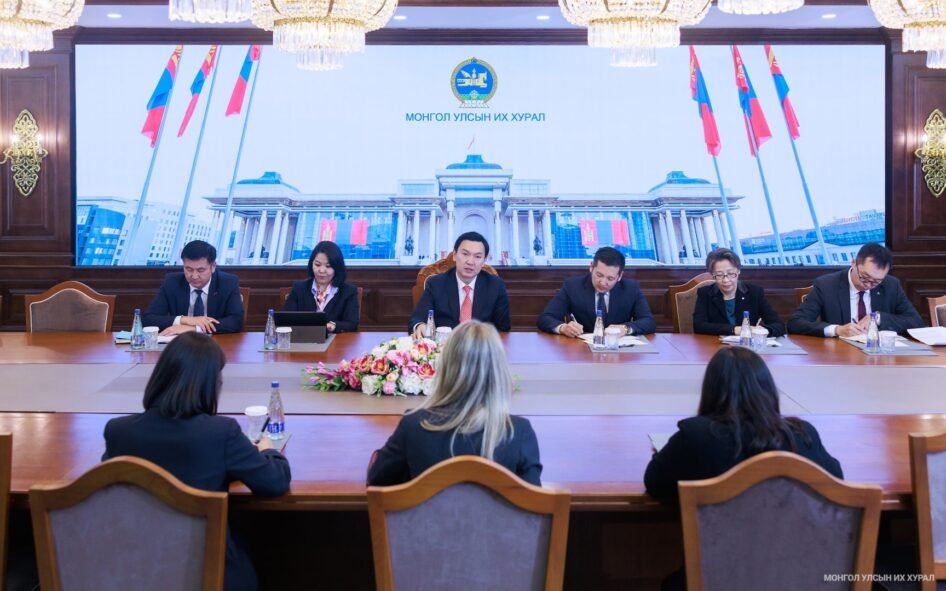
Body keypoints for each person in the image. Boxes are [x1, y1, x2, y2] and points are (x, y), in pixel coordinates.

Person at [102, 332, 291, 591]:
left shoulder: (118, 431)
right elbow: (274, 482)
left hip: (138, 570)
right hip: (210, 572)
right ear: (211, 384)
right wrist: (269, 450)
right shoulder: (220, 432)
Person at [644, 347, 842, 500]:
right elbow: (836, 481)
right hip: (794, 540)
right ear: (767, 388)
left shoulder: (696, 436)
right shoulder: (802, 435)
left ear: (711, 390)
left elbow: (655, 484)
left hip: (719, 541)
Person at [367, 321, 542, 486]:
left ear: (445, 368)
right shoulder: (519, 433)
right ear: (498, 371)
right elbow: (533, 502)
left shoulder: (414, 426)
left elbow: (376, 480)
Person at [788, 242, 924, 337]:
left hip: (879, 355)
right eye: (865, 277)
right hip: (839, 355)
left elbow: (916, 322)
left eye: (876, 281)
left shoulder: (891, 285)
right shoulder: (826, 285)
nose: (868, 285)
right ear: (853, 263)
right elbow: (795, 323)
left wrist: (878, 318)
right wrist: (836, 330)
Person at [537, 246, 656, 337]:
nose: (603, 283)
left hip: (618, 351)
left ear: (619, 276)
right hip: (581, 350)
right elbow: (545, 318)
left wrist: (626, 329)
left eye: (610, 279)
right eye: (599, 275)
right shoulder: (572, 286)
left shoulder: (631, 289)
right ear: (591, 267)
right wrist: (563, 327)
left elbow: (649, 322)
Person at [408, 231, 511, 336]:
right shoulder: (436, 284)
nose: (470, 262)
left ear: (484, 260)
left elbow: (503, 328)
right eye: (465, 254)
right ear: (454, 255)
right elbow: (418, 318)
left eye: (477, 256)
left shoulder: (496, 286)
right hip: (445, 344)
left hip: (481, 344)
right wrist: (420, 325)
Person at [143, 240, 244, 335]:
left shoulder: (227, 282)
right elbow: (148, 319)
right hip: (181, 343)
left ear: (213, 266)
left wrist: (195, 328)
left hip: (215, 342)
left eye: (201, 270)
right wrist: (184, 320)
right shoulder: (172, 282)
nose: (194, 276)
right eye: (189, 269)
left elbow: (236, 321)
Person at [693, 248, 786, 337]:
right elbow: (699, 326)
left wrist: (763, 331)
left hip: (747, 345)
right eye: (719, 275)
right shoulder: (705, 293)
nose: (726, 280)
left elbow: (779, 325)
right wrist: (734, 330)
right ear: (712, 274)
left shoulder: (754, 292)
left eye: (731, 274)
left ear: (738, 271)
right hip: (715, 345)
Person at [283, 241, 359, 333]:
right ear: (311, 263)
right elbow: (286, 319)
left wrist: (334, 325)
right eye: (317, 265)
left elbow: (352, 323)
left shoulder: (348, 291)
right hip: (302, 338)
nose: (322, 270)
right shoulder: (299, 288)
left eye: (328, 266)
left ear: (337, 268)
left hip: (334, 340)